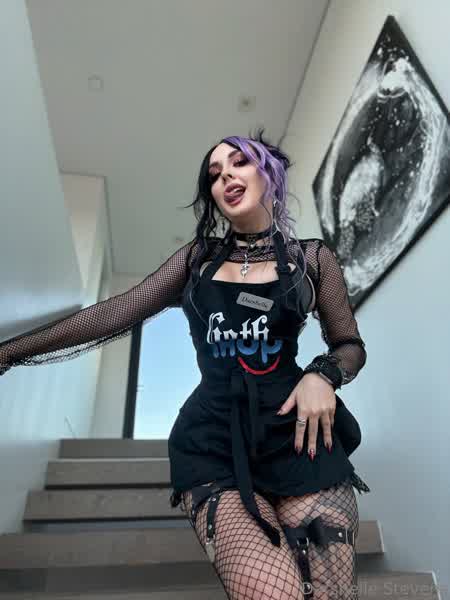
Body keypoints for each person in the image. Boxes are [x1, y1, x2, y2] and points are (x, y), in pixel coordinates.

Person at [0, 128, 370, 600]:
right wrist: (7, 352)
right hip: (212, 442)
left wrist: (323, 374)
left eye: (239, 162)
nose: (225, 177)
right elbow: (113, 313)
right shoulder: (197, 260)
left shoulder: (312, 258)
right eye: (214, 174)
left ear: (269, 171)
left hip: (298, 436)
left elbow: (349, 344)